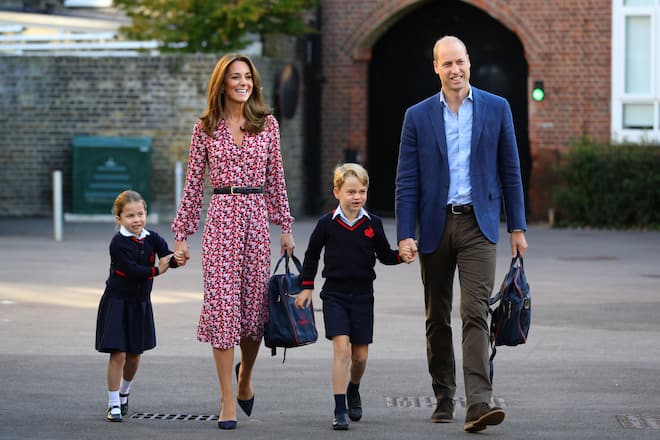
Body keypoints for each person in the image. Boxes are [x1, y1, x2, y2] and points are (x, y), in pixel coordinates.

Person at [395, 35, 528, 433]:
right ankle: (443, 394)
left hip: (479, 224)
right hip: (434, 226)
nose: (455, 70)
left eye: (460, 62)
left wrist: (517, 227)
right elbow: (407, 181)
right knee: (437, 316)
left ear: (469, 62)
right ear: (435, 67)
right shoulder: (416, 116)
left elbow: (511, 171)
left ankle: (478, 404)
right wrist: (405, 233)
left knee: (475, 312)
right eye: (447, 64)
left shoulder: (496, 107)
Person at [171, 53, 295, 430]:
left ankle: (245, 378)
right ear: (221, 83)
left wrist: (285, 226)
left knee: (255, 315)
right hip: (221, 218)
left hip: (256, 219)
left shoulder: (267, 125)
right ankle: (226, 398)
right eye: (235, 77)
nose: (243, 83)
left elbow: (276, 178)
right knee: (223, 310)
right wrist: (182, 235)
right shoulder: (205, 128)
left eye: (248, 77)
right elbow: (193, 185)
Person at [295, 163, 409, 430]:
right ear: (337, 192)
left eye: (362, 191)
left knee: (359, 357)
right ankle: (339, 409)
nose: (357, 197)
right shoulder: (326, 224)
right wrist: (307, 286)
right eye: (350, 192)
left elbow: (384, 255)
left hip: (362, 296)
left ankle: (353, 388)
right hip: (334, 295)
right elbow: (312, 255)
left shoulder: (373, 224)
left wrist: (400, 257)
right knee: (342, 350)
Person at [95, 190, 177, 422]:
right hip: (117, 302)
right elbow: (130, 270)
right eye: (130, 216)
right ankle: (113, 404)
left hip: (140, 304)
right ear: (119, 218)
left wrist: (176, 259)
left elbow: (166, 254)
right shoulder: (118, 243)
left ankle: (124, 393)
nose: (137, 219)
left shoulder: (152, 237)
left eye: (140, 214)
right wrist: (157, 270)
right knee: (118, 352)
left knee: (134, 354)